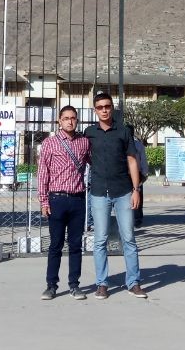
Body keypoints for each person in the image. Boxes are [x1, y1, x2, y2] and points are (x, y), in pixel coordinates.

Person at [83, 90, 146, 299]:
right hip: (99, 191)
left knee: (128, 238)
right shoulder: (89, 132)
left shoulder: (123, 132)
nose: (104, 110)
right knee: (100, 239)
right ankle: (102, 283)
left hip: (123, 192)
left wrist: (136, 190)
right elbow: (81, 158)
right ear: (95, 110)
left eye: (107, 106)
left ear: (112, 108)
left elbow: (132, 160)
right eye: (100, 107)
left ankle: (133, 282)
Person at [37, 104, 91, 301]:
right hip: (56, 199)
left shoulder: (84, 143)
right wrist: (44, 201)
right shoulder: (49, 143)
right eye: (66, 118)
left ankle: (74, 285)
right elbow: (43, 173)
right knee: (55, 245)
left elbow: (95, 162)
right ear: (59, 121)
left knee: (76, 245)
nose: (70, 121)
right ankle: (51, 285)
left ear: (77, 120)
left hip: (77, 200)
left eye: (73, 118)